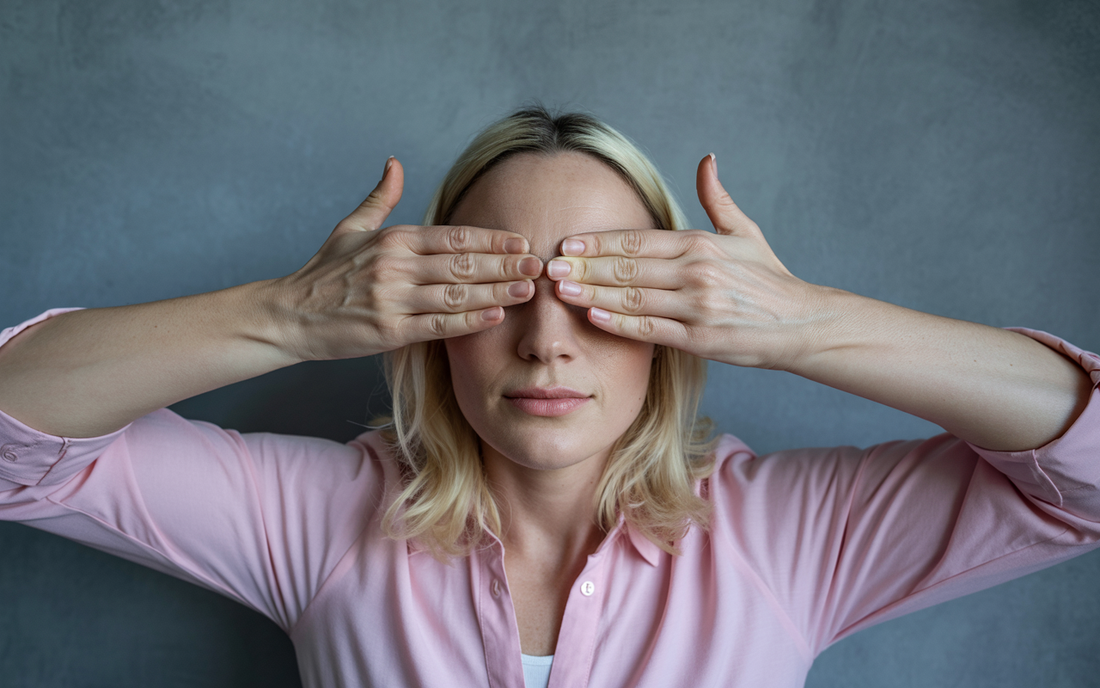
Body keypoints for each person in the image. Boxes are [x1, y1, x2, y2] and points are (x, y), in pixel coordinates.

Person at [0, 107, 1096, 688]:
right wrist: (292, 314)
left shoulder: (785, 537)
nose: (544, 341)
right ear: (423, 320)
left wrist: (802, 323)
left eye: (605, 286)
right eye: (495, 287)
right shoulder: (321, 519)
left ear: (676, 324)